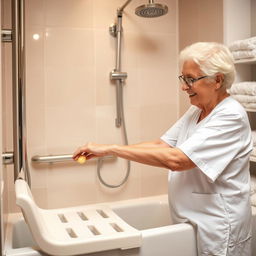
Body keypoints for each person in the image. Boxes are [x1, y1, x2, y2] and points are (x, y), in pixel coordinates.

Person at [73, 42, 252, 256]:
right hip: (194, 218)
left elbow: (177, 160)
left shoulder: (230, 116)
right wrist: (109, 150)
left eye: (190, 79)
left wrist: (113, 149)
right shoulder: (196, 111)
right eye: (183, 79)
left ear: (217, 80)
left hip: (219, 224)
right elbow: (162, 145)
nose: (184, 87)